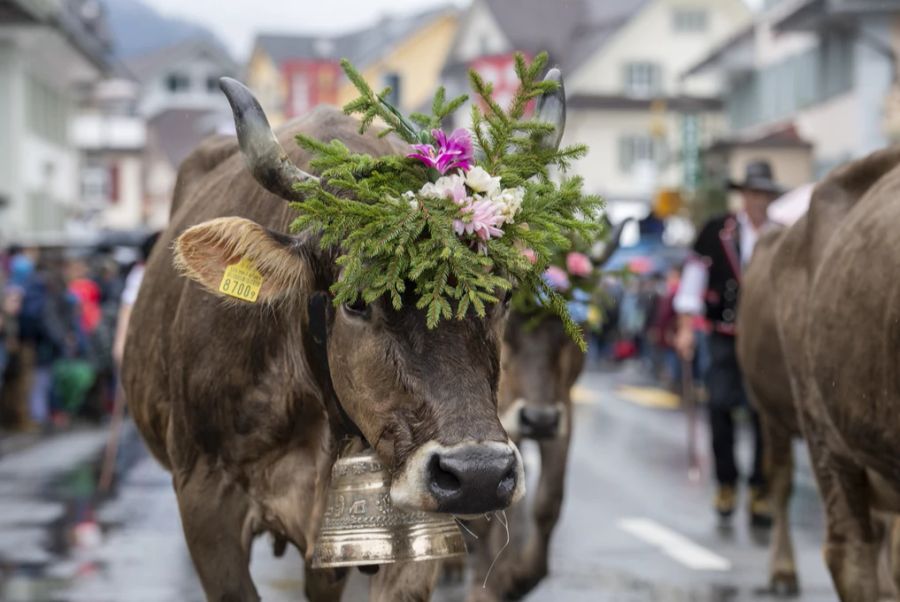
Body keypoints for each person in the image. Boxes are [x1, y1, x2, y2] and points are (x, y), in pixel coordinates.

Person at [674, 160, 784, 527]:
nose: (759, 200)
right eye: (754, 193)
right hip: (723, 336)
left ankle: (760, 488)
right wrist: (686, 327)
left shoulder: (782, 235)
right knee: (719, 408)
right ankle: (726, 482)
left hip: (767, 342)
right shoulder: (717, 230)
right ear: (744, 196)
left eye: (765, 194)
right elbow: (692, 280)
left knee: (764, 414)